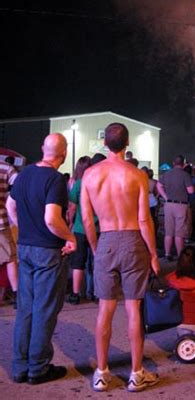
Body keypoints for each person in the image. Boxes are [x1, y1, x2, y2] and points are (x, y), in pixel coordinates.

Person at [81, 123, 160, 392]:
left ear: (105, 143)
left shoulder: (90, 176)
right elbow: (143, 219)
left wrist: (95, 247)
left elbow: (86, 220)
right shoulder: (137, 175)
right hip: (132, 239)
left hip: (106, 239)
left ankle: (102, 373)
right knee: (133, 308)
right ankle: (136, 373)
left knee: (105, 308)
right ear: (127, 144)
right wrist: (153, 253)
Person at [6, 134, 76, 385]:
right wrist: (71, 238)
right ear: (64, 153)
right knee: (44, 310)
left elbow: (10, 205)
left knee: (26, 309)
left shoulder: (24, 174)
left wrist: (23, 227)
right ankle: (38, 368)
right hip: (47, 251)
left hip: (25, 248)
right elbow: (51, 219)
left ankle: (19, 366)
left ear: (42, 149)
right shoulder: (55, 179)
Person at [156, 155, 195, 261]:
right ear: (183, 164)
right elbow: (191, 191)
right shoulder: (185, 175)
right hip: (181, 205)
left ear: (173, 163)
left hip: (168, 205)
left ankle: (167, 254)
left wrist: (165, 197)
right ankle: (180, 255)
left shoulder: (167, 174)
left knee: (168, 232)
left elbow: (158, 186)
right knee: (179, 232)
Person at [66, 155, 92, 304]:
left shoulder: (78, 185)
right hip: (98, 228)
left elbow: (72, 207)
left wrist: (69, 224)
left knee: (78, 263)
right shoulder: (98, 182)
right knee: (97, 263)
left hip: (80, 228)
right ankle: (97, 292)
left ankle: (75, 294)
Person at [0, 158, 19, 308]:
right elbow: (18, 185)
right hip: (2, 222)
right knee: (11, 258)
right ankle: (17, 294)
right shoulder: (6, 167)